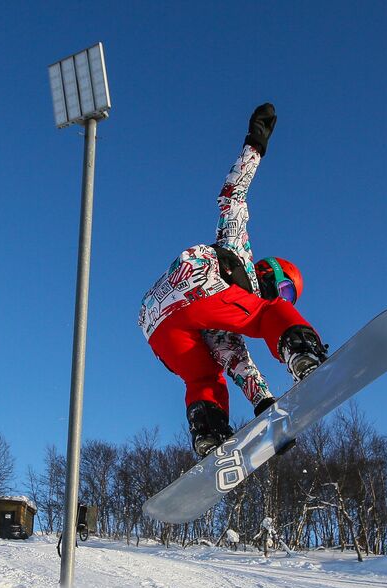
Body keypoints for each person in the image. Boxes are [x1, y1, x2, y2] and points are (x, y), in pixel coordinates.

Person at [140, 102, 328, 456]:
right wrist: (255, 145)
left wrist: (266, 406)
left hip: (157, 323)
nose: (284, 298)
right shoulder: (239, 249)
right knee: (266, 315)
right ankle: (302, 350)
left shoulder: (230, 319)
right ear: (272, 273)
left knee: (203, 376)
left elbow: (237, 360)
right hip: (199, 282)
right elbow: (233, 196)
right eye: (286, 289)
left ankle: (208, 432)